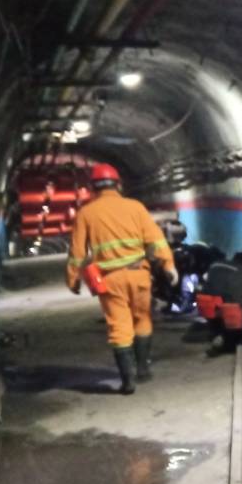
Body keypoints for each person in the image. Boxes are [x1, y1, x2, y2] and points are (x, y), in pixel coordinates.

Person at [67, 163, 177, 394]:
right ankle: (143, 370)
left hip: (110, 279)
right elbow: (156, 240)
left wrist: (73, 279)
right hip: (139, 275)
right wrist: (168, 265)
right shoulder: (135, 207)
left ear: (93, 188)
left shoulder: (86, 213)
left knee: (119, 326)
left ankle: (128, 380)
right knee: (142, 319)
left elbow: (77, 253)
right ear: (118, 185)